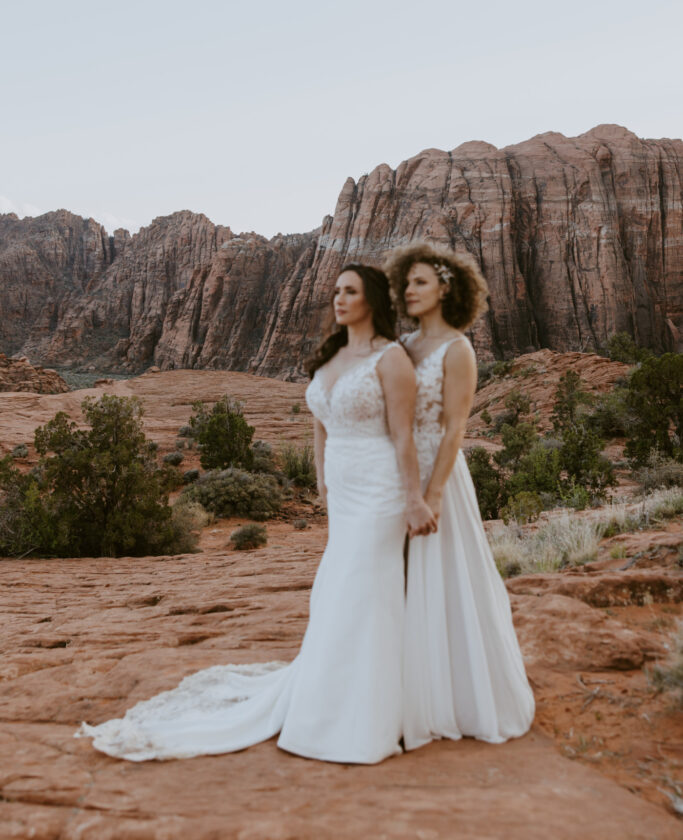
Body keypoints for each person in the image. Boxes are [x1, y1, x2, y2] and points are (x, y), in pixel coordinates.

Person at [76, 264, 435, 763]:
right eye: (335, 290)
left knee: (365, 587)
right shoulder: (331, 356)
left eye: (350, 291)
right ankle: (332, 693)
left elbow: (403, 435)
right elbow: (320, 424)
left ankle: (370, 711)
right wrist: (321, 479)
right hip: (345, 494)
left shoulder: (391, 358)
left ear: (372, 300)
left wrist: (414, 498)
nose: (338, 298)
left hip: (380, 490)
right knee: (336, 587)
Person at [384, 241, 535, 749]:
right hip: (396, 475)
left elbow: (455, 429)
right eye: (407, 282)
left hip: (439, 475)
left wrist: (435, 494)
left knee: (444, 578)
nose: (410, 289)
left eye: (421, 282)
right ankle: (398, 695)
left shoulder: (459, 349)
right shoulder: (403, 345)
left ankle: (452, 698)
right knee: (396, 581)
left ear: (446, 288)